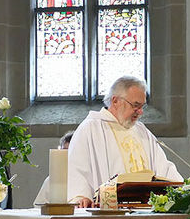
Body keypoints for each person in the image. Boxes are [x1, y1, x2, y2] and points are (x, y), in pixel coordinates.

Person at [67, 75, 180, 206]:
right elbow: (76, 169)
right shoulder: (91, 129)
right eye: (135, 105)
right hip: (108, 213)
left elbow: (163, 168)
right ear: (115, 101)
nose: (140, 112)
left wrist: (181, 191)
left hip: (145, 210)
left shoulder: (142, 131)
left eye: (142, 106)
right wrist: (81, 196)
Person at [32, 130, 74, 206]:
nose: (67, 156)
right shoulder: (52, 179)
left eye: (70, 152)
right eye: (64, 152)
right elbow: (39, 205)